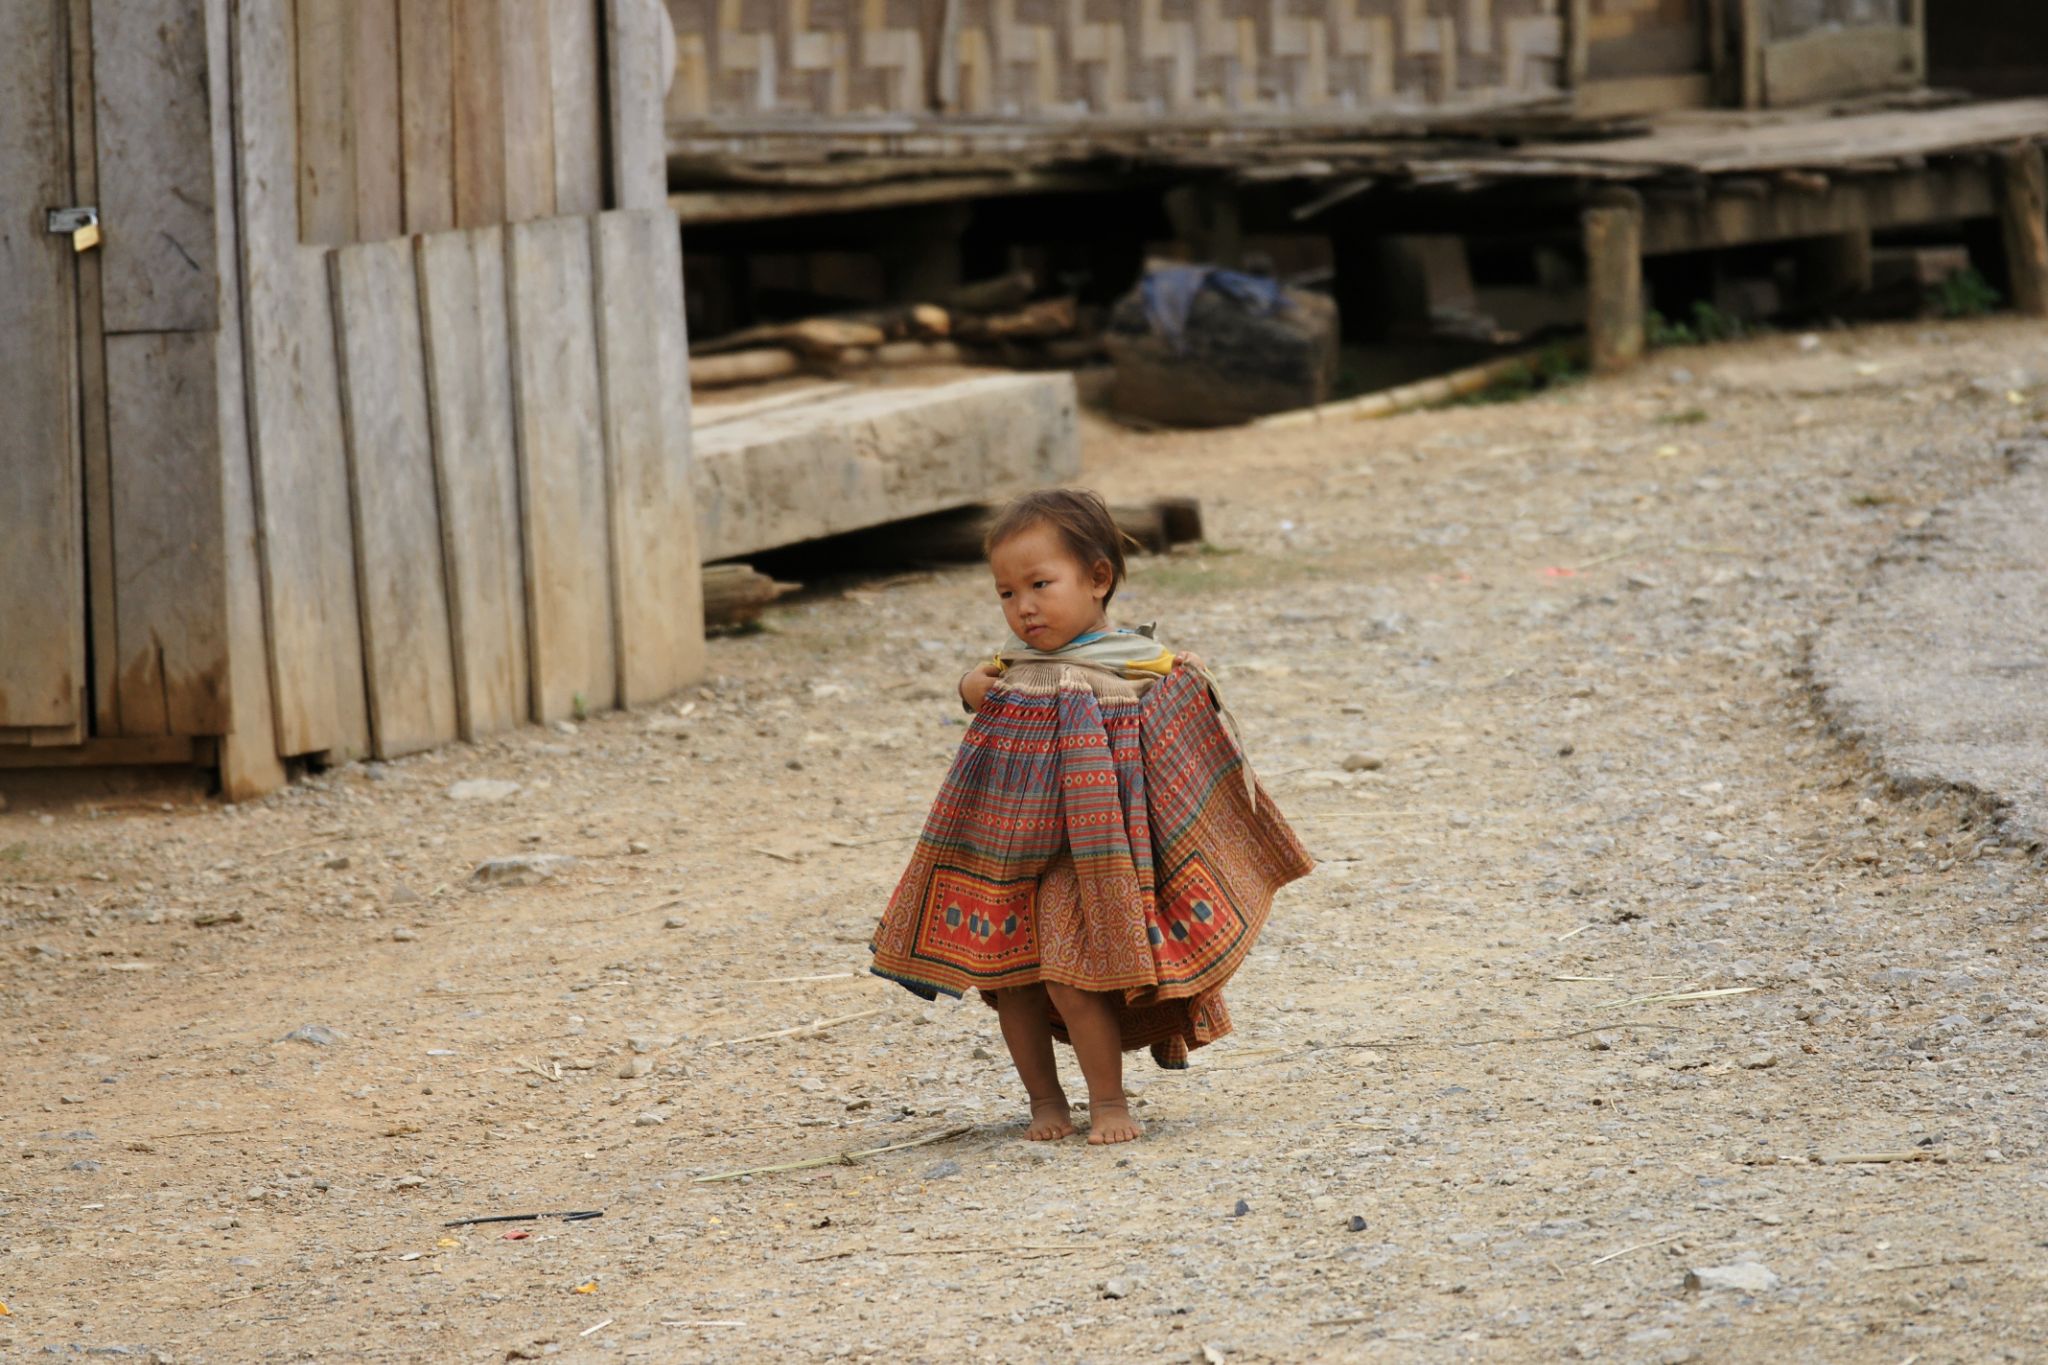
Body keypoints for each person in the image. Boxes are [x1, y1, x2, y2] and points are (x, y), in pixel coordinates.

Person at [869, 488, 1313, 1144]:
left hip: (1092, 855)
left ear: (1098, 579)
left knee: (1073, 981)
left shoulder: (1138, 664)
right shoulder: (1016, 665)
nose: (1023, 607)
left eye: (1040, 585)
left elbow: (1183, 740)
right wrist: (970, 687)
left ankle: (1108, 1101)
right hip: (1009, 855)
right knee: (1011, 983)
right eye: (1006, 593)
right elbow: (978, 681)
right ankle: (1045, 1102)